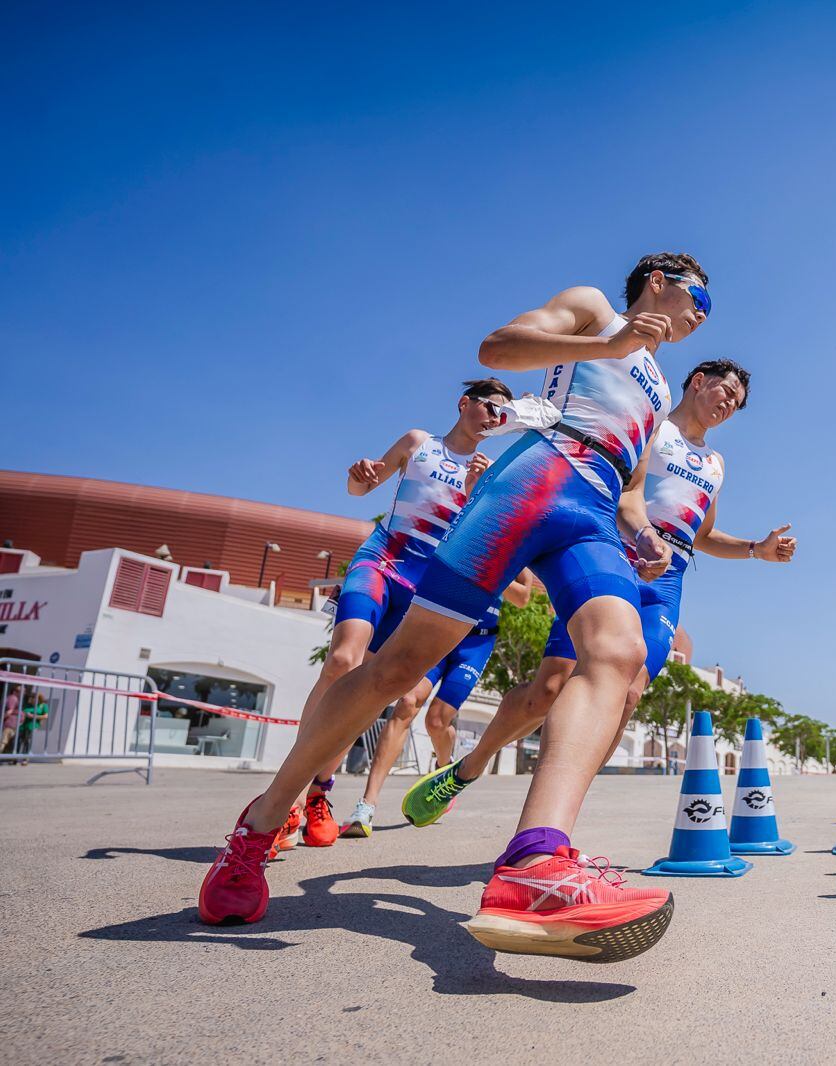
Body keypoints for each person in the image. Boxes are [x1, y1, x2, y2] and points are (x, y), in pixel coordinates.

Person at [199, 252, 709, 963]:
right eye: (698, 300)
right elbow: (497, 349)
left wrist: (645, 533)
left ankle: (535, 861)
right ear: (660, 281)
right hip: (537, 479)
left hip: (594, 512)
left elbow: (630, 488)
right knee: (396, 669)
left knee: (618, 658)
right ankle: (260, 824)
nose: (700, 317)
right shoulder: (596, 308)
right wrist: (609, 344)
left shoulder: (658, 389)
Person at [400, 358, 794, 833]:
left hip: (668, 579)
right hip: (613, 556)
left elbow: (705, 534)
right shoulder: (652, 428)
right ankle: (468, 767)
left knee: (627, 694)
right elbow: (614, 490)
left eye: (738, 403)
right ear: (698, 382)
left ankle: (553, 827)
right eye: (726, 392)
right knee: (547, 690)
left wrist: (756, 549)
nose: (729, 404)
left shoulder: (715, 464)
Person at [264, 380, 506, 856]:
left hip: (422, 586)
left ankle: (320, 791)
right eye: (489, 406)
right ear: (464, 403)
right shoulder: (419, 442)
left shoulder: (490, 472)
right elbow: (361, 487)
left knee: (367, 694)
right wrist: (358, 476)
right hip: (382, 560)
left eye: (503, 414)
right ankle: (288, 798)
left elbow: (481, 542)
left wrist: (478, 492)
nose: (495, 418)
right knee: (342, 662)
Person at [340, 568, 536, 837]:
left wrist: (490, 567)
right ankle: (366, 805)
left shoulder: (516, 552)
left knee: (437, 721)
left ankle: (445, 769)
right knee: (407, 703)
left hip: (476, 643)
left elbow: (523, 597)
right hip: (442, 629)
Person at [2, 686, 19, 754]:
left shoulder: (11, 698)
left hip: (10, 723)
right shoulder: (13, 698)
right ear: (14, 692)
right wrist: (2, 719)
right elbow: (10, 711)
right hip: (9, 724)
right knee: (3, 742)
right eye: (19, 691)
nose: (23, 693)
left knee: (6, 742)